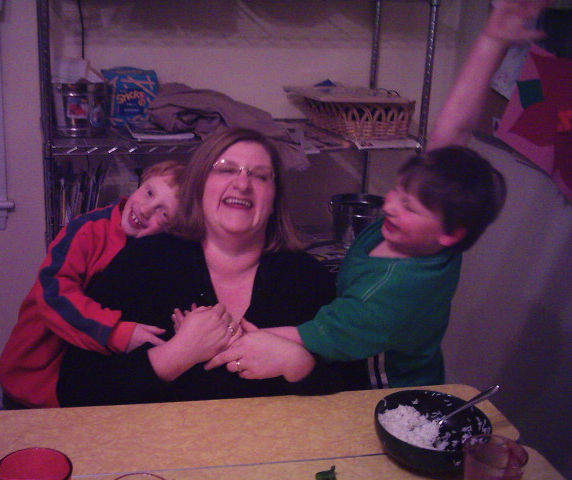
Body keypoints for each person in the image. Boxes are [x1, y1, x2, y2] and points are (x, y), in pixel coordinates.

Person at [205, 0, 550, 388]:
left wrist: (231, 337)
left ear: (449, 235)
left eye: (408, 206)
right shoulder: (434, 236)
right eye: (398, 191)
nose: (389, 205)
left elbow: (310, 337)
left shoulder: (389, 292)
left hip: (386, 391)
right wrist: (492, 38)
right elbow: (450, 135)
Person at [56, 128, 368, 407]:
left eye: (260, 176)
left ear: (274, 200)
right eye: (226, 170)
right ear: (198, 187)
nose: (242, 183)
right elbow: (75, 388)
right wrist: (174, 356)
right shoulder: (142, 262)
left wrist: (299, 365)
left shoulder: (307, 279)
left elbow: (357, 394)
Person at [0, 160, 185, 408]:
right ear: (139, 184)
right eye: (149, 193)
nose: (147, 210)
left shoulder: (157, 253)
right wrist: (116, 332)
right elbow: (53, 294)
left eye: (164, 213)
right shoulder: (87, 230)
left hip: (84, 384)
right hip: (35, 375)